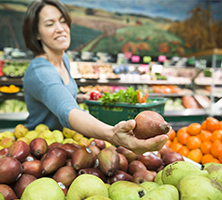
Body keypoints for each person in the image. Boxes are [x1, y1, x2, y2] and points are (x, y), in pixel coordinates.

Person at [22, 0, 171, 155]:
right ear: (36, 33)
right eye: (49, 24)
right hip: (41, 149)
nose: (60, 29)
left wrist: (79, 98)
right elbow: (67, 110)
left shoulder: (63, 59)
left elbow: (57, 95)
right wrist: (112, 134)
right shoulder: (41, 72)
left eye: (63, 21)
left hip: (64, 144)